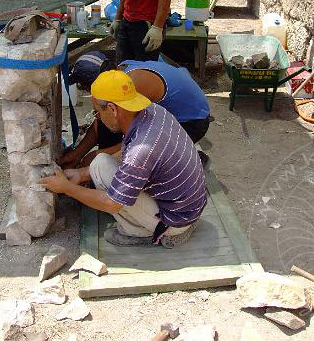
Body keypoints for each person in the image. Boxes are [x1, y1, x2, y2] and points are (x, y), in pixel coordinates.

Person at [42, 71, 206, 248]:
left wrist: (67, 188)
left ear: (112, 109)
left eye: (97, 112)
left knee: (112, 196)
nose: (97, 117)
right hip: (189, 205)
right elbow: (124, 158)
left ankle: (145, 232)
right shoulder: (153, 111)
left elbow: (112, 204)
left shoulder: (140, 151)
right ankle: (161, 224)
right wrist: (80, 175)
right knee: (99, 163)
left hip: (177, 219)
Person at [58, 57, 211, 169]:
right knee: (109, 124)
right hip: (175, 113)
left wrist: (101, 156)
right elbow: (101, 120)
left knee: (135, 158)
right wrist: (77, 154)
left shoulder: (135, 85)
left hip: (192, 123)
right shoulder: (120, 72)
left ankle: (186, 157)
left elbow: (140, 136)